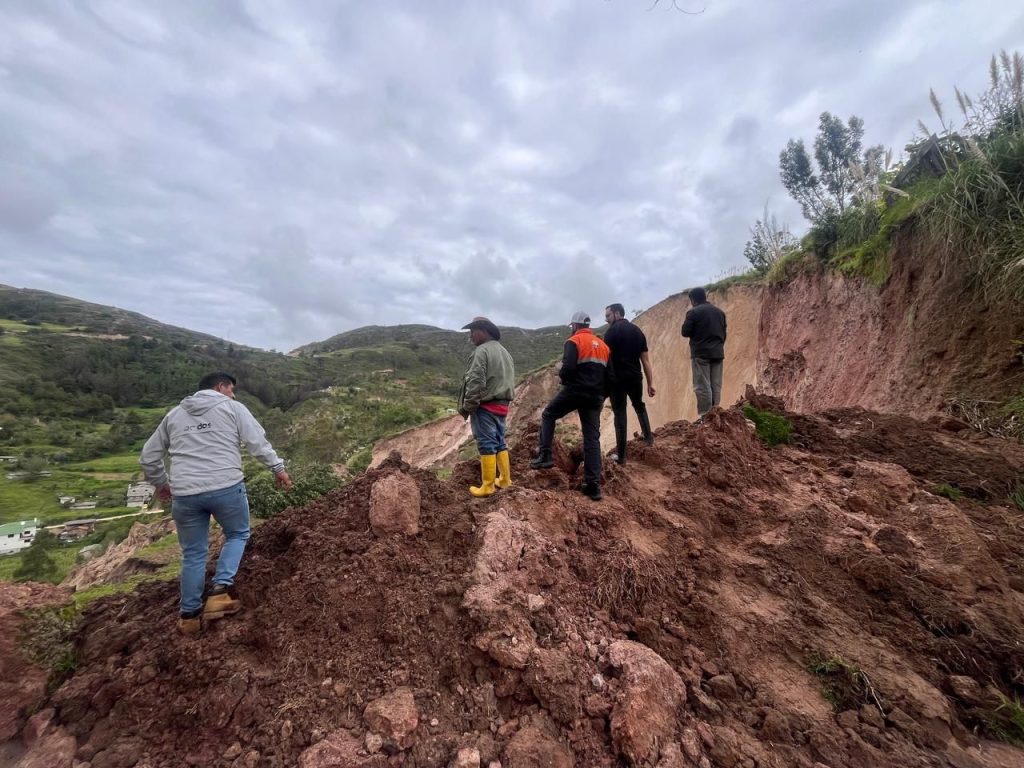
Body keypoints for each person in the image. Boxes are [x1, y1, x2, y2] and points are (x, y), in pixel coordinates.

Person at [140, 372, 293, 636]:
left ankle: (189, 616)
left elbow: (148, 456)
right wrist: (277, 468)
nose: (233, 394)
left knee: (193, 553)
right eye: (231, 389)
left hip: (185, 494)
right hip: (226, 486)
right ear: (220, 387)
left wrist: (162, 484)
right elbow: (257, 442)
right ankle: (220, 591)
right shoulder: (232, 408)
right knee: (238, 533)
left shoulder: (174, 415)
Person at [530, 311, 612, 501]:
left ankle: (545, 456)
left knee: (549, 414)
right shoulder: (604, 346)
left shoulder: (573, 342)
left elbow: (568, 369)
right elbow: (611, 376)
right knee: (592, 438)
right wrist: (601, 395)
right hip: (595, 396)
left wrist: (566, 380)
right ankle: (593, 485)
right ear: (588, 326)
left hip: (576, 391)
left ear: (575, 326)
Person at [457, 317, 516, 497]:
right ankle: (505, 480)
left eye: (472, 332)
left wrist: (469, 406)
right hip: (502, 405)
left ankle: (488, 486)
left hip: (486, 406)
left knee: (486, 443)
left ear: (483, 331)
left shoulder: (481, 351)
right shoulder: (505, 352)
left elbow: (475, 381)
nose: (470, 336)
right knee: (499, 441)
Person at [603, 303, 656, 464]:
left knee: (620, 413)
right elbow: (645, 360)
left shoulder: (610, 333)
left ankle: (622, 456)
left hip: (617, 380)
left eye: (608, 316)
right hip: (635, 377)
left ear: (617, 313)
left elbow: (606, 361)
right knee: (639, 405)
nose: (606, 320)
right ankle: (648, 439)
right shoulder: (637, 331)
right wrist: (650, 383)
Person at [681, 287, 727, 419]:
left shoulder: (693, 313)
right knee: (715, 384)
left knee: (702, 385)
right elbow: (724, 334)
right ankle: (715, 413)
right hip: (718, 353)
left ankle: (705, 416)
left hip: (701, 353)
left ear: (693, 300)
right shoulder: (720, 313)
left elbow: (685, 332)